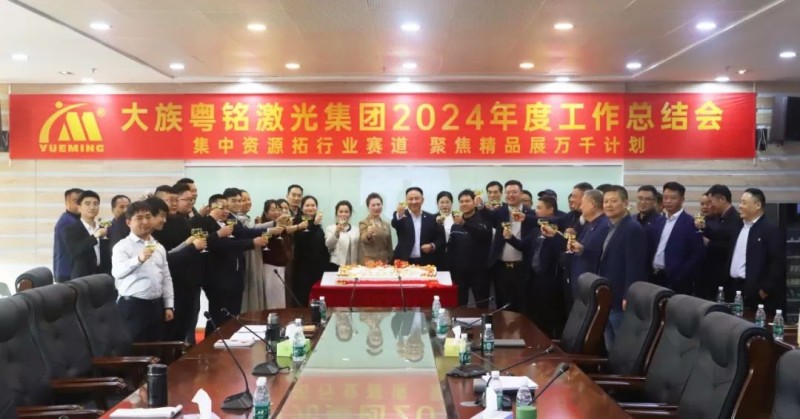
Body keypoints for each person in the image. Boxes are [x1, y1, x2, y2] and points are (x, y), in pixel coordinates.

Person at [195, 194, 268, 334]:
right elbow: (223, 245)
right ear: (211, 208)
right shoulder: (207, 224)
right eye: (221, 207)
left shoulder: (227, 224)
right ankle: (213, 342)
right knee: (218, 316)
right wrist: (252, 243)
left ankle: (230, 338)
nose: (225, 211)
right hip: (218, 278)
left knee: (233, 315)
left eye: (227, 208)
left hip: (235, 275)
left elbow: (241, 236)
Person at [112, 201, 174, 342]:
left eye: (148, 217)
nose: (145, 222)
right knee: (134, 349)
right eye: (139, 218)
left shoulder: (158, 246)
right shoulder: (122, 246)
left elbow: (166, 277)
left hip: (156, 306)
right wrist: (138, 259)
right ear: (129, 222)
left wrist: (169, 305)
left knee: (156, 348)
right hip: (133, 307)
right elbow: (117, 272)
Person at [147, 197, 206, 344]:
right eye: (161, 216)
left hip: (172, 293)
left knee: (177, 335)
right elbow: (169, 261)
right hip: (148, 301)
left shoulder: (154, 241)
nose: (164, 220)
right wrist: (191, 247)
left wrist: (186, 243)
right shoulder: (131, 244)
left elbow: (166, 259)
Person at [597, 185, 647, 349]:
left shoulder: (632, 228)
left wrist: (628, 294)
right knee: (610, 344)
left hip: (621, 297)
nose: (608, 205)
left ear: (625, 203)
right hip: (608, 295)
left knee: (623, 346)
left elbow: (635, 265)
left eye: (613, 201)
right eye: (606, 201)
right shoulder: (609, 226)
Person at [728, 188, 785, 312]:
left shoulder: (770, 229)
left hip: (757, 294)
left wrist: (765, 289)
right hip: (734, 287)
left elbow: (777, 262)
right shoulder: (737, 226)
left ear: (757, 205)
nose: (740, 206)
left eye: (744, 203)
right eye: (740, 202)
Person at [484, 180, 537, 314]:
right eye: (508, 192)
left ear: (521, 193)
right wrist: (480, 206)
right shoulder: (499, 212)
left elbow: (528, 245)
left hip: (522, 267)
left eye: (514, 192)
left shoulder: (531, 215)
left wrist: (511, 238)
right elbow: (485, 218)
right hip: (501, 268)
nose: (510, 195)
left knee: (523, 305)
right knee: (502, 305)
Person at [645, 182, 705, 295]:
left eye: (673, 198)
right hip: (654, 277)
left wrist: (682, 274)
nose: (668, 201)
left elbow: (697, 254)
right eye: (665, 197)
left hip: (676, 280)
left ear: (682, 200)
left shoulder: (690, 223)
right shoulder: (658, 221)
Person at [528, 195, 567, 337]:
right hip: (535, 278)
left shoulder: (559, 229)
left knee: (550, 317)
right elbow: (523, 245)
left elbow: (561, 250)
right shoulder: (536, 230)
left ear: (550, 210)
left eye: (539, 208)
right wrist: (509, 238)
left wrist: (553, 236)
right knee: (536, 314)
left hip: (551, 279)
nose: (536, 211)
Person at [447, 190, 492, 307]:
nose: (464, 204)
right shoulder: (455, 224)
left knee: (482, 304)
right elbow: (452, 248)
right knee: (460, 305)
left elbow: (483, 236)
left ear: (474, 203)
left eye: (467, 201)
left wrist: (464, 224)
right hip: (460, 273)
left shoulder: (483, 219)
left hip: (480, 272)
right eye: (461, 201)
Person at [701, 184, 743, 301]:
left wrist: (709, 244)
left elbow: (730, 247)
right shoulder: (719, 218)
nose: (710, 206)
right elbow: (718, 237)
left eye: (711, 202)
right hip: (713, 276)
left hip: (726, 277)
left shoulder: (736, 220)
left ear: (722, 199)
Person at [65, 190, 111, 279]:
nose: (92, 207)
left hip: (102, 277)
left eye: (95, 204)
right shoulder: (71, 229)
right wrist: (95, 236)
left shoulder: (103, 228)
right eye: (87, 204)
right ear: (79, 207)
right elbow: (75, 251)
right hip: (82, 278)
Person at [391, 187, 444, 266]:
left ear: (422, 200)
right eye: (410, 199)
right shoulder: (401, 216)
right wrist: (400, 214)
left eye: (417, 198)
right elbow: (395, 223)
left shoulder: (431, 218)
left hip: (425, 262)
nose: (414, 201)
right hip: (404, 260)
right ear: (406, 201)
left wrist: (432, 246)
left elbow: (440, 238)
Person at [292, 195, 329, 306]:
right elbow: (301, 240)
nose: (310, 208)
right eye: (307, 205)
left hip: (318, 267)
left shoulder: (317, 223)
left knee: (317, 299)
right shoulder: (297, 222)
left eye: (313, 205)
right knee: (303, 298)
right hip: (303, 268)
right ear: (302, 208)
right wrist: (314, 224)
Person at [260, 200, 289, 308]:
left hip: (281, 264)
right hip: (270, 264)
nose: (276, 212)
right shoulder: (263, 226)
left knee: (280, 297)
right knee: (273, 298)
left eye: (278, 209)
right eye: (273, 210)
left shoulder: (281, 225)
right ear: (266, 213)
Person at [53, 188, 83, 283]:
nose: (79, 204)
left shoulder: (75, 219)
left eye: (81, 201)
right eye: (76, 201)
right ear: (67, 203)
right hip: (67, 273)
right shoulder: (68, 221)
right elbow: (76, 248)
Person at [325, 200, 360, 272]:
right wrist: (336, 232)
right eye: (340, 212)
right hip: (336, 264)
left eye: (346, 212)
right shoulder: (330, 228)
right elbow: (329, 245)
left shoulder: (356, 229)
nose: (343, 214)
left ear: (350, 214)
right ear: (336, 213)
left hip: (352, 265)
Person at [359, 193, 393, 264]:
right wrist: (368, 234)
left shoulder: (386, 224)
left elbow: (389, 246)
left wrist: (390, 258)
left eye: (378, 204)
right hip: (369, 262)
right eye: (373, 205)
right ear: (368, 207)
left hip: (385, 261)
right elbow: (363, 238)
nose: (376, 207)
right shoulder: (364, 223)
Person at [434, 191, 455, 270]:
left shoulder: (457, 217)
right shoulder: (432, 218)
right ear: (437, 204)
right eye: (442, 202)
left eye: (447, 202)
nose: (445, 205)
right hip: (438, 255)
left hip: (455, 254)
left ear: (451, 203)